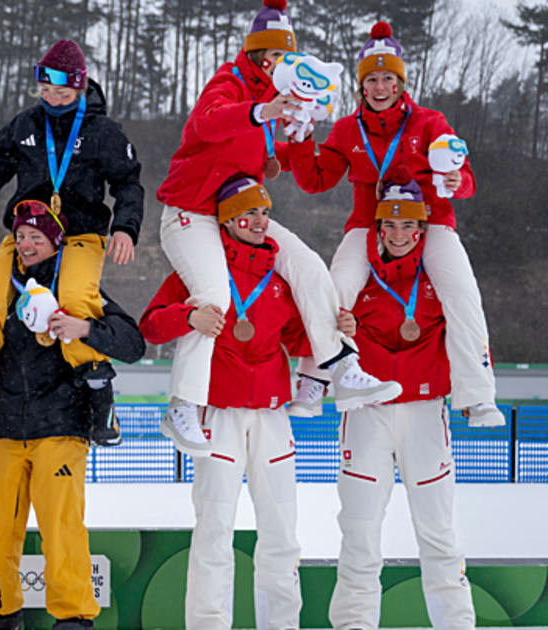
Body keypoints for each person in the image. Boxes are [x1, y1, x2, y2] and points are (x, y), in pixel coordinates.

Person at [153, 0, 400, 455]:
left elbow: (279, 161)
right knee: (214, 296)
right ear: (251, 54)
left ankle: (337, 366)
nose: (272, 64)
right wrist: (262, 112)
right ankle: (184, 403)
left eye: (280, 58)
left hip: (241, 213)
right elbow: (209, 124)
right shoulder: (230, 84)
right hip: (192, 213)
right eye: (265, 56)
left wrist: (303, 136)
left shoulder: (279, 97)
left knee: (306, 264)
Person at [287, 21, 503, 428]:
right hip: (369, 224)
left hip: (432, 221)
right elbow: (316, 180)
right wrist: (300, 139)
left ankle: (477, 395)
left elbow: (465, 176)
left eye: (388, 77)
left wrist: (458, 182)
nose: (380, 86)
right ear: (361, 86)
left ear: (401, 83)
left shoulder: (429, 122)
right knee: (335, 289)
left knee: (460, 292)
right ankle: (314, 381)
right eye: (372, 79)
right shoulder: (348, 129)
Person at [141, 177, 331, 629]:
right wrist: (188, 315)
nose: (261, 222)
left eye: (265, 213)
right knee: (214, 532)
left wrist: (337, 324)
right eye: (250, 214)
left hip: (271, 417)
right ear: (227, 220)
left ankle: (281, 624)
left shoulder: (280, 278)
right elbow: (151, 326)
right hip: (218, 415)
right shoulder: (199, 272)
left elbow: (299, 337)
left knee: (283, 534)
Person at [0, 197, 145, 629]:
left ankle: (73, 618)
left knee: (60, 528)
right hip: (7, 431)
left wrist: (86, 328)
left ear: (56, 243)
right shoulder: (0, 290)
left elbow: (134, 343)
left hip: (62, 429)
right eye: (20, 237)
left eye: (36, 237)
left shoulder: (77, 291)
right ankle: (0, 613)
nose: (26, 244)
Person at [0, 38, 143, 448]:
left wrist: (125, 227)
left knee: (74, 297)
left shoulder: (102, 131)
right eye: (45, 91)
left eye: (62, 93)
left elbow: (128, 183)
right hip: (27, 231)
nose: (52, 99)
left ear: (81, 88)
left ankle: (99, 392)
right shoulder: (25, 125)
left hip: (80, 234)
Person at [329, 168, 477, 629]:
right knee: (359, 530)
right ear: (376, 228)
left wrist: (476, 390)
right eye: (389, 225)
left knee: (438, 534)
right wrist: (343, 328)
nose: (399, 235)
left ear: (422, 227)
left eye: (408, 225)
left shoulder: (441, 276)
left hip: (426, 414)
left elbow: (469, 332)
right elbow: (321, 328)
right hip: (367, 412)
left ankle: (456, 623)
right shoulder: (356, 274)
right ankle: (355, 623)